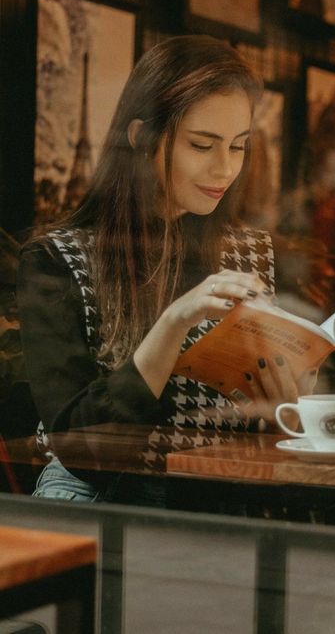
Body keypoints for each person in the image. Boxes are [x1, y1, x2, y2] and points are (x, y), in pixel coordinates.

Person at [17, 35, 311, 505]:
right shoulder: (58, 259)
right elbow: (76, 445)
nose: (224, 169)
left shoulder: (251, 252)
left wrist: (290, 410)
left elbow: (265, 431)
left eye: (238, 147)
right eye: (201, 145)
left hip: (218, 491)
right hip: (103, 492)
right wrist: (174, 322)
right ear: (140, 138)